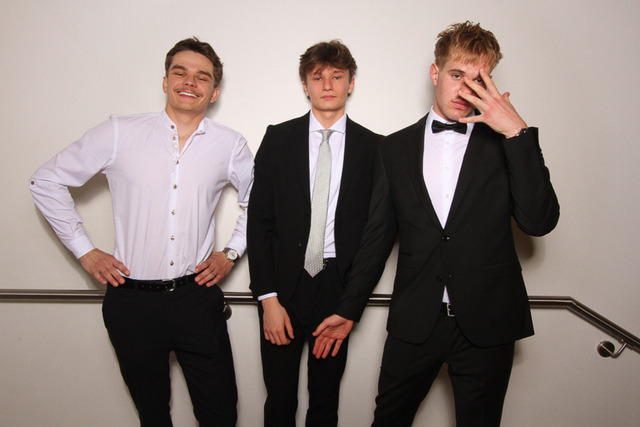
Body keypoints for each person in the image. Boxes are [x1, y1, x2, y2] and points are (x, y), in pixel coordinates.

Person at [312, 21, 560, 426]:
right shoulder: (393, 148)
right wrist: (348, 309)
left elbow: (539, 222)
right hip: (415, 320)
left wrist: (516, 132)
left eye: (478, 80)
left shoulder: (509, 143)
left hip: (488, 322)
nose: (465, 90)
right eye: (456, 75)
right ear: (435, 73)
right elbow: (377, 239)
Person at [29, 37, 253, 426]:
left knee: (220, 415)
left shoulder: (230, 144)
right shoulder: (119, 132)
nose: (190, 82)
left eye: (202, 77)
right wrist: (85, 251)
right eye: (180, 73)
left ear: (214, 91)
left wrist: (231, 252)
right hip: (132, 303)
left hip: (196, 300)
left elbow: (261, 204)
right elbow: (45, 181)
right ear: (165, 82)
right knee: (152, 415)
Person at [247, 40, 383, 426]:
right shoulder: (278, 138)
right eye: (317, 77)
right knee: (279, 402)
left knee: (325, 402)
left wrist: (350, 305)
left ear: (350, 83)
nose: (327, 85)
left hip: (337, 288)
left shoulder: (375, 147)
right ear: (305, 85)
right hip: (282, 289)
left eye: (337, 77)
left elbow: (376, 234)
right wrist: (267, 299)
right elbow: (259, 222)